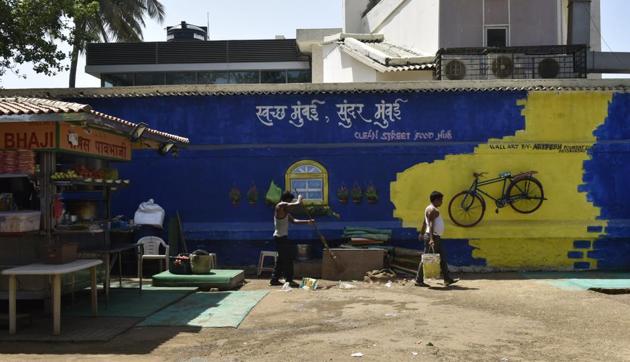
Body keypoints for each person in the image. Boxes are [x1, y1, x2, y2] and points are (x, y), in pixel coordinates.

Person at [270, 191, 314, 287]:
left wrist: (307, 221)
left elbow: (294, 221)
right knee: (288, 259)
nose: (290, 204)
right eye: (289, 201)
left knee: (281, 259)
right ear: (286, 200)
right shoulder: (279, 206)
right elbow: (297, 204)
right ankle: (289, 279)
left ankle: (274, 279)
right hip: (279, 238)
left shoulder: (285, 211)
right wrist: (299, 198)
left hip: (283, 238)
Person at [415, 191, 458, 287]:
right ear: (436, 200)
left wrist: (421, 233)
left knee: (442, 258)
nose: (441, 202)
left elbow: (424, 222)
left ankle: (447, 279)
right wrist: (431, 239)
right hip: (433, 237)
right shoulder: (433, 210)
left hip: (435, 237)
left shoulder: (428, 208)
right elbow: (430, 225)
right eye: (440, 200)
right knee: (426, 258)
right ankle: (418, 280)